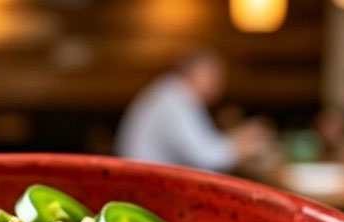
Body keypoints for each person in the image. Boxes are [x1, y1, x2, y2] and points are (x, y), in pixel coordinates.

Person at [114, 50, 271, 172]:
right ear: (197, 73)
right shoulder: (175, 100)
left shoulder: (172, 92)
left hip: (147, 177)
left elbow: (203, 145)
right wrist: (243, 145)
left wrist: (237, 140)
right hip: (144, 185)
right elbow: (205, 156)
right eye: (214, 77)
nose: (219, 86)